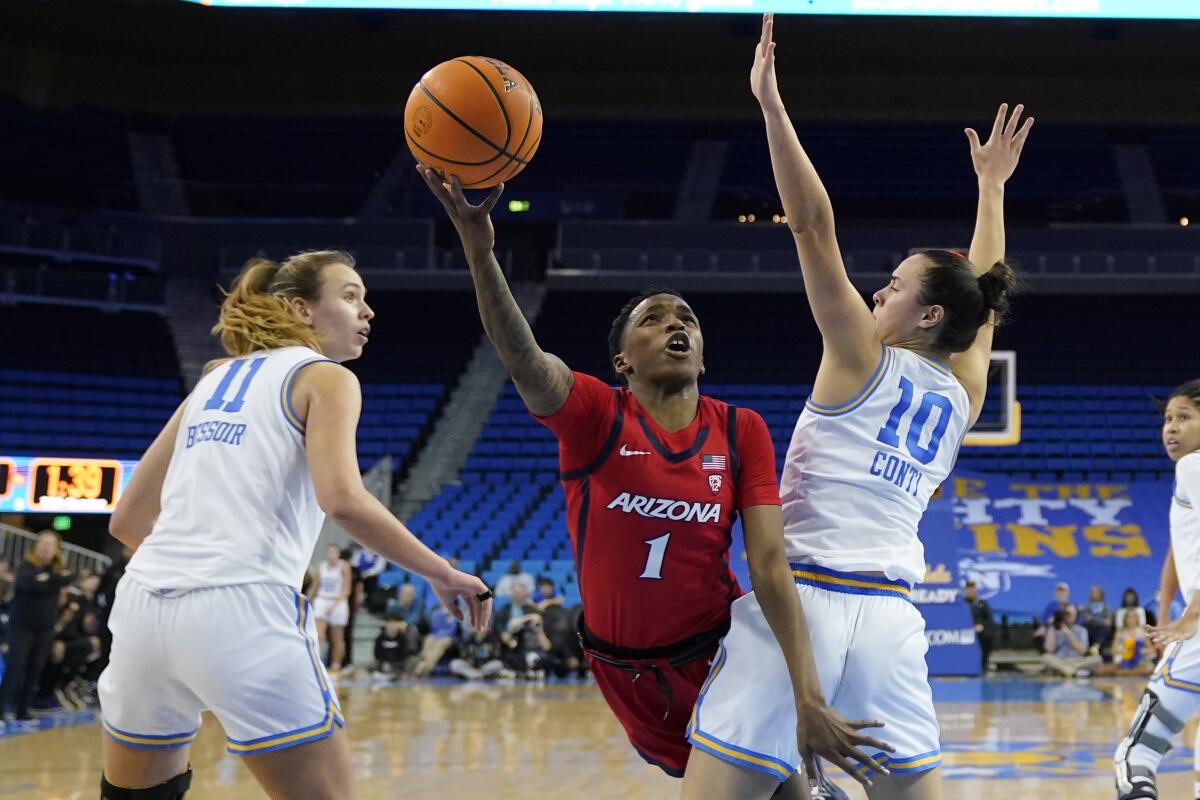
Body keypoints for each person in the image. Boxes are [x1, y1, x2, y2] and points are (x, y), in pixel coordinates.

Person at [421, 150, 879, 782]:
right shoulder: (594, 416)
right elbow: (524, 358)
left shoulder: (739, 429)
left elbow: (769, 565)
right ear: (622, 362)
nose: (676, 325)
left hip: (725, 655)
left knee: (777, 789)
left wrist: (807, 693)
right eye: (654, 320)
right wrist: (479, 250)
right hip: (622, 670)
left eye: (686, 318)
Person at [681, 15, 1030, 800]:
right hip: (891, 623)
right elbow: (985, 292)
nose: (879, 289)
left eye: (897, 284)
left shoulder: (858, 358)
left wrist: (771, 106)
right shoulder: (965, 390)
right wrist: (992, 188)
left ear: (929, 315)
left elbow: (810, 223)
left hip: (799, 602)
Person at [97, 250, 491, 800]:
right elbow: (344, 501)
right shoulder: (326, 378)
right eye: (350, 296)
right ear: (302, 310)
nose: (368, 310)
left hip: (142, 606)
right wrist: (442, 572)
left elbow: (127, 519)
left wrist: (186, 576)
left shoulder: (214, 379)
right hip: (243, 605)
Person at [1115, 379, 1200, 800]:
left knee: (1134, 758)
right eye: (1168, 418)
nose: (1171, 427)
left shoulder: (1193, 467)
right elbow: (1177, 547)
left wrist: (1191, 616)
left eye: (1185, 417)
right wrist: (1165, 612)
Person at [0, 531, 73, 723]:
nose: (46, 547)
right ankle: (2, 708)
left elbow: (67, 578)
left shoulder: (58, 569)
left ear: (57, 549)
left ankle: (23, 709)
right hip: (21, 626)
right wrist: (53, 580)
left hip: (45, 628)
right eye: (43, 543)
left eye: (51, 544)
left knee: (35, 668)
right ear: (35, 545)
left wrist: (47, 579)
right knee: (16, 666)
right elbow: (30, 585)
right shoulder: (25, 566)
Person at [313, 545, 352, 674]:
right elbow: (315, 585)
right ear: (326, 554)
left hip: (338, 600)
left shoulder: (344, 566)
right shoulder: (321, 566)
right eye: (329, 552)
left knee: (337, 638)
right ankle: (316, 663)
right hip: (322, 599)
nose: (332, 555)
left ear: (338, 554)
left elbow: (347, 590)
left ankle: (336, 666)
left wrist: (334, 606)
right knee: (318, 635)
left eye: (334, 552)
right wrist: (306, 598)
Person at [1041, 605, 1100, 677]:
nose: (1070, 616)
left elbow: (1082, 651)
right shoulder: (1055, 629)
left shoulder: (1082, 630)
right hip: (1060, 660)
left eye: (1073, 614)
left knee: (1097, 659)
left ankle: (1068, 670)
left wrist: (1067, 632)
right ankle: (1070, 670)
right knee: (1045, 657)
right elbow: (1049, 650)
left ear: (1076, 616)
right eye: (1067, 613)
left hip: (1077, 660)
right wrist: (1051, 626)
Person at [1097, 608, 1154, 677]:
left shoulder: (1142, 632)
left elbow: (1151, 650)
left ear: (1137, 618)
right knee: (1101, 670)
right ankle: (1128, 672)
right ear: (1125, 619)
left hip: (1139, 661)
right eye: (1129, 617)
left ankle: (1126, 673)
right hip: (1123, 661)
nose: (1131, 619)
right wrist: (1124, 651)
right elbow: (1113, 650)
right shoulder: (1120, 632)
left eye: (1133, 616)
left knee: (1149, 668)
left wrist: (1140, 651)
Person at [963, 580, 994, 674]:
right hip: (964, 631)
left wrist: (982, 626)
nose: (971, 591)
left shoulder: (982, 604)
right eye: (968, 589)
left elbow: (990, 620)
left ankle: (984, 664)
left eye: (972, 589)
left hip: (980, 631)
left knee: (988, 637)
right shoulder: (961, 604)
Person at [1081, 584, 1115, 661]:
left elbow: (1108, 622)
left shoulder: (1106, 607)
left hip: (1102, 632)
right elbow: (1088, 620)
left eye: (1097, 592)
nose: (1095, 594)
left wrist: (1096, 621)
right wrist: (1101, 621)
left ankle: (1096, 647)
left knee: (1106, 629)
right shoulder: (1086, 608)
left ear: (1101, 594)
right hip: (1090, 630)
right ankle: (1091, 648)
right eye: (1093, 592)